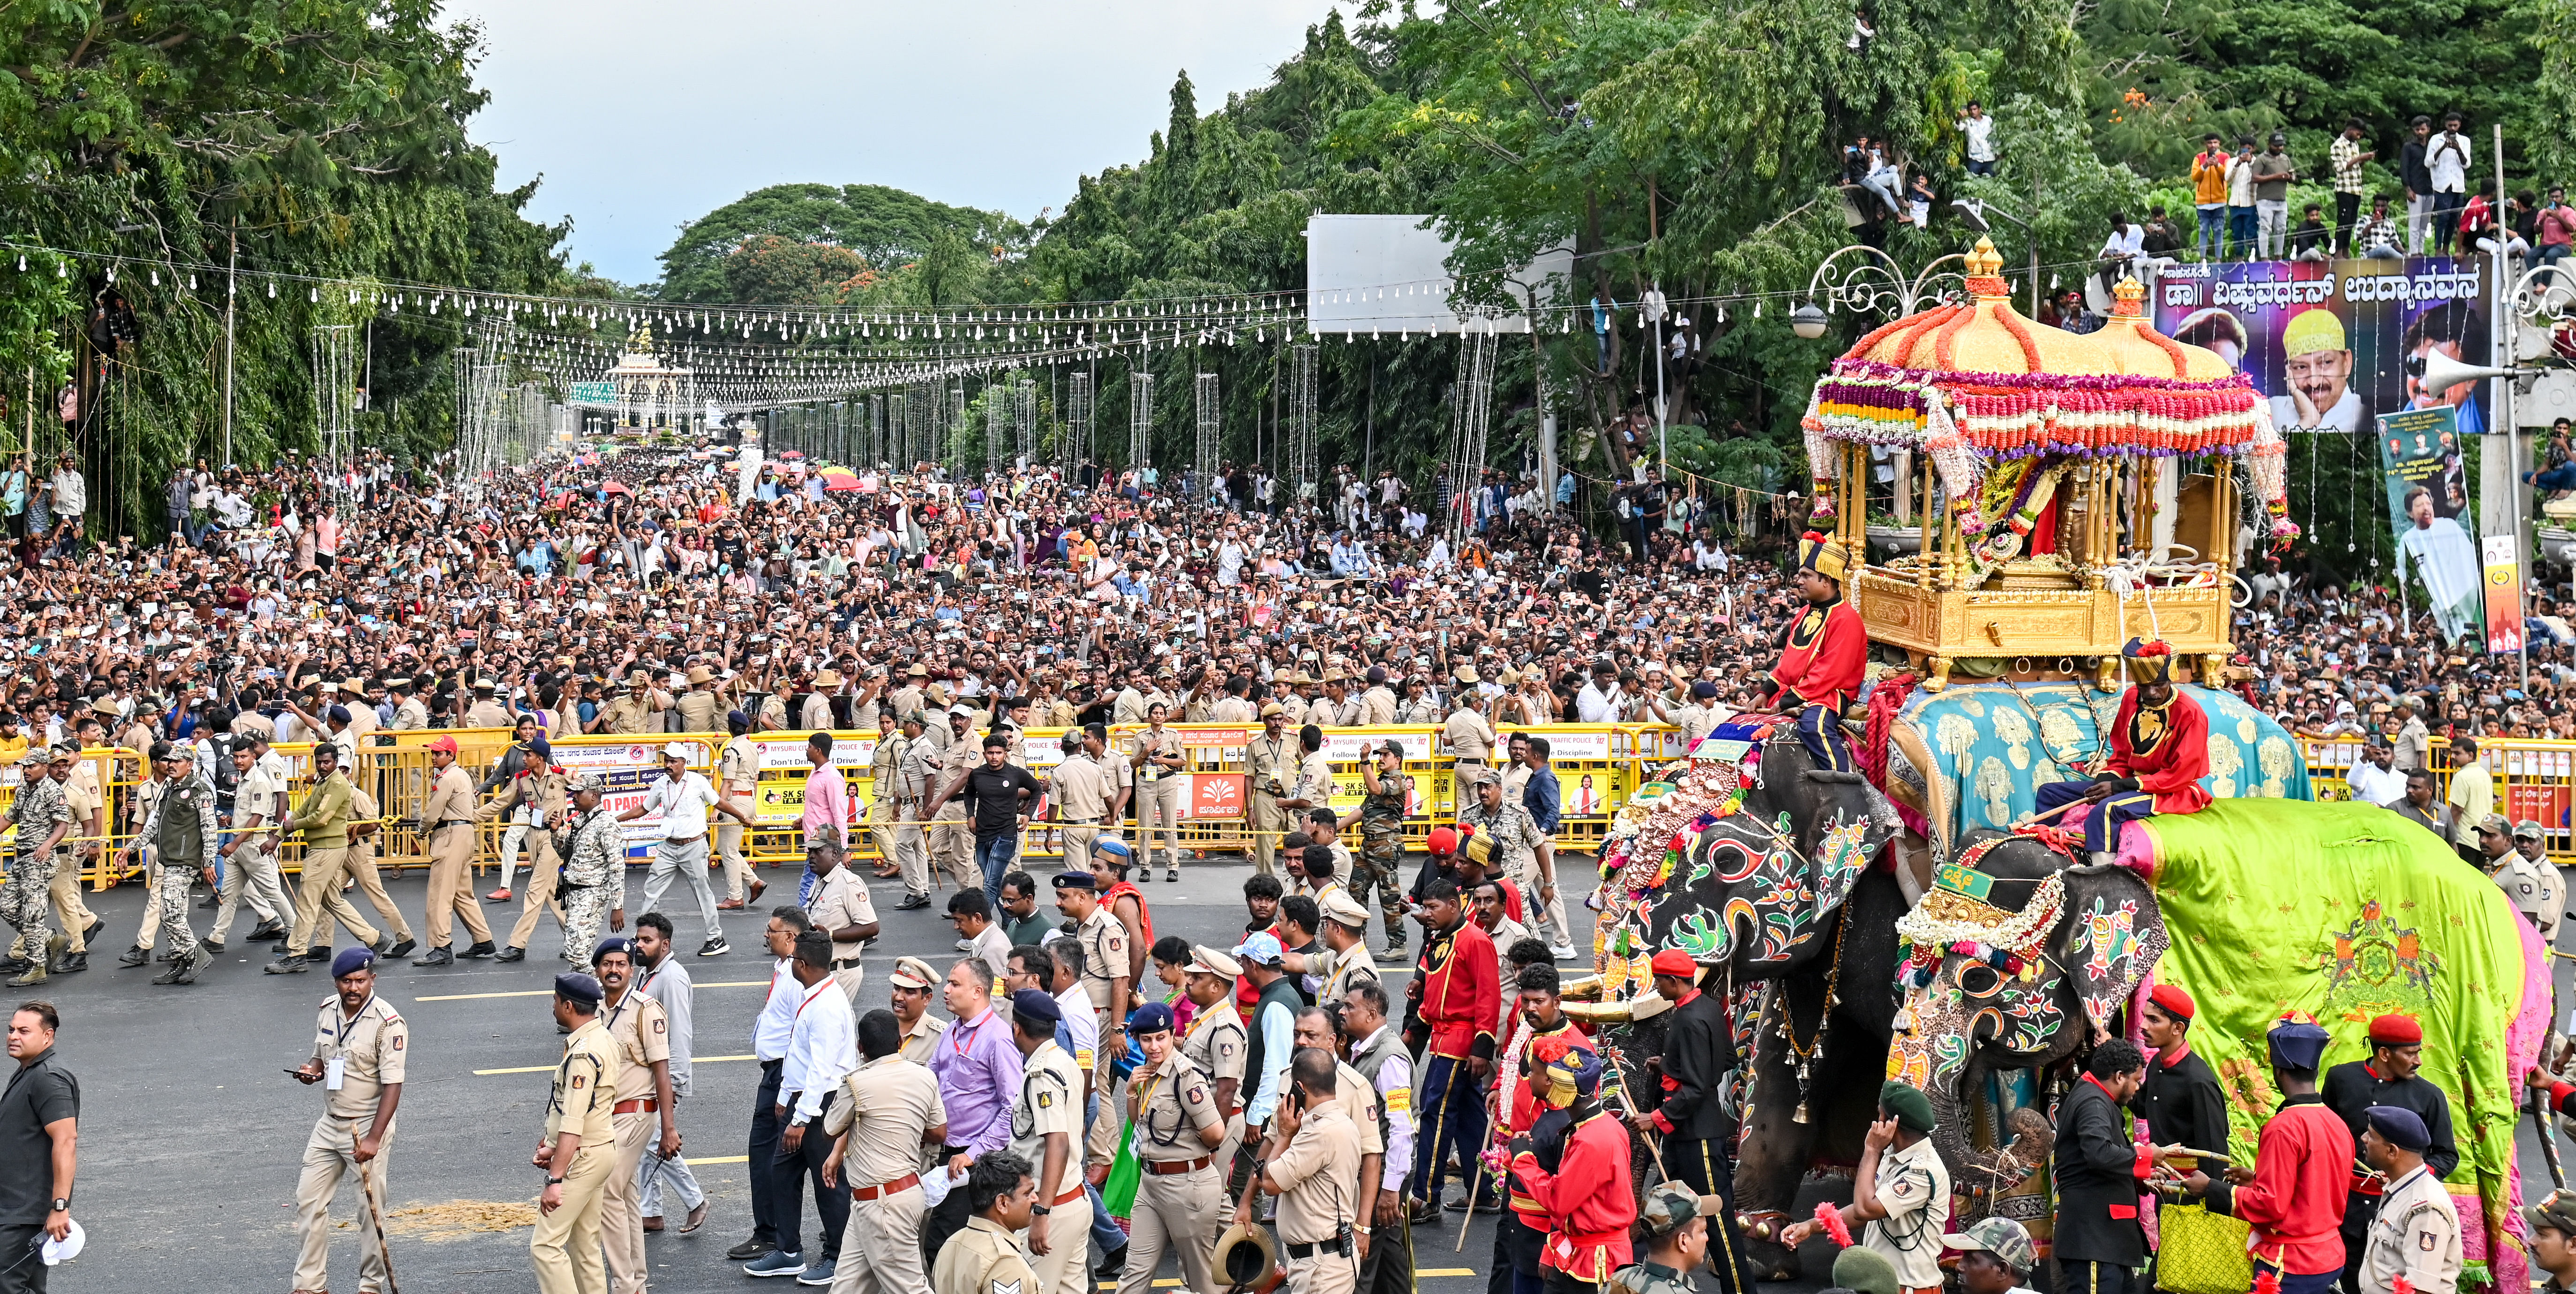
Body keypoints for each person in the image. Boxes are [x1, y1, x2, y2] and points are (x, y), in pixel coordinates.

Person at [2183, 1016, 2351, 1294]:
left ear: (2278, 1070)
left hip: (2292, 1263)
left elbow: (2270, 1206)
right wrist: (2257, 1180)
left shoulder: (2284, 1127)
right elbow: (2313, 1188)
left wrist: (2210, 1188)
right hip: (2330, 1255)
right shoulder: (2336, 1122)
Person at [1630, 949, 1752, 1293]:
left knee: (1716, 1222)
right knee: (1661, 1208)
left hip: (1696, 1135)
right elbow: (1724, 1058)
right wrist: (1670, 1064)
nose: (1656, 987)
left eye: (1658, 981)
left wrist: (1656, 1117)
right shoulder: (1708, 1007)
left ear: (1673, 981)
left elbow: (1698, 1086)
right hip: (1686, 1132)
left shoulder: (1688, 1019)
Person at [2029, 640, 2209, 865]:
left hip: (2171, 791)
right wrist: (2107, 779)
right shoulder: (2132, 698)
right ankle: (2045, 858)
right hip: (2131, 781)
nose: (2152, 693)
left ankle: (2103, 875)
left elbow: (2179, 776)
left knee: (2107, 810)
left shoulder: (2191, 713)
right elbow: (2122, 756)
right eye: (2145, 687)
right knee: (2050, 794)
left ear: (2170, 679)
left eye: (2159, 685)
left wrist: (2119, 788)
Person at [290, 948, 405, 1294]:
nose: (353, 988)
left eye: (360, 981)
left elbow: (393, 1085)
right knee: (308, 1202)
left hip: (366, 1125)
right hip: (329, 1123)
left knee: (369, 1212)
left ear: (372, 979)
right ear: (336, 982)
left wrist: (373, 1139)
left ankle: (371, 1286)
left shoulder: (388, 1023)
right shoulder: (328, 1010)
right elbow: (320, 1057)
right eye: (346, 981)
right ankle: (310, 1286)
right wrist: (311, 1071)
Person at [2321, 1014, 2457, 1293]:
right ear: (2384, 1054)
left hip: (2399, 1212)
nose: (2418, 1061)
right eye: (2410, 1054)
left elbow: (2446, 1155)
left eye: (2418, 1053)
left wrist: (2403, 1177)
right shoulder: (2340, 1079)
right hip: (2344, 1209)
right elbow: (2327, 1137)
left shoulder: (2429, 1096)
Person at [751, 930, 856, 1283]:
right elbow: (800, 1055)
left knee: (828, 1183)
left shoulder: (826, 1006)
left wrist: (800, 1118)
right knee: (782, 1173)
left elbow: (822, 1070)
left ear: (803, 964)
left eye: (794, 959)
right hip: (801, 1103)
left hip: (820, 1107)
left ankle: (837, 1258)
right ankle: (789, 1252)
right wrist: (785, 1098)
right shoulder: (815, 994)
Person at [819, 1007, 946, 1294]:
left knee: (910, 1289)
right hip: (895, 1196)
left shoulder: (856, 1083)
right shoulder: (924, 1077)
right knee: (847, 1287)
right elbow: (939, 1132)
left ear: (860, 1047)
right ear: (899, 1042)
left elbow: (829, 1130)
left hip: (881, 1204)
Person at [1778, 1081, 1946, 1294]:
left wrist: (1871, 1149)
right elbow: (1863, 1213)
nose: (1877, 1121)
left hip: (1910, 1289)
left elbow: (1865, 1208)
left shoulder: (1921, 1171)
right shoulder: (1894, 1155)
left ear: (1891, 1123)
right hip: (1884, 1285)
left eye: (1880, 1114)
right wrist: (1811, 1226)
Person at [1506, 1039, 1637, 1291]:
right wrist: (1551, 1250)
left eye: (1534, 1072)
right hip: (1578, 1250)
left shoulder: (1591, 1140)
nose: (1529, 1077)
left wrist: (1523, 1160)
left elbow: (1558, 1200)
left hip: (1594, 1264)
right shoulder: (1595, 1127)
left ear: (1555, 1085)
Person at [1116, 1001, 1224, 1294]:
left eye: (1161, 1038)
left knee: (1201, 1278)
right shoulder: (1146, 1074)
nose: (1154, 1047)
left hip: (1185, 1186)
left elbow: (1216, 1133)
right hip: (1150, 1184)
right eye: (1147, 1039)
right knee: (1134, 1271)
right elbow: (1142, 1126)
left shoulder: (1186, 1076)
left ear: (1172, 1034)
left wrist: (1188, 1149)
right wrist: (1129, 1093)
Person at [1405, 880, 1498, 1220]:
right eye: (1424, 908)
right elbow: (1434, 980)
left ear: (1453, 906)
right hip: (1443, 1036)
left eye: (1432, 908)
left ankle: (1426, 1196)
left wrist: (1482, 1046)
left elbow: (1488, 995)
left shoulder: (1475, 941)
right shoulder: (1440, 937)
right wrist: (1415, 1026)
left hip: (1460, 1043)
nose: (1425, 914)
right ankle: (1482, 1191)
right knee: (1471, 1120)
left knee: (1436, 1116)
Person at [592, 936, 678, 1294]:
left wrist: (669, 1129)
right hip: (605, 1119)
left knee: (605, 1193)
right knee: (626, 1200)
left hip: (636, 1115)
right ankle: (638, 1283)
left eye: (621, 965)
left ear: (631, 970)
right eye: (607, 964)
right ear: (597, 970)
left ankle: (624, 1286)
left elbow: (662, 1071)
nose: (614, 971)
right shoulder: (594, 1008)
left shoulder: (646, 1009)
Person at [923, 957, 1025, 1258]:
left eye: (955, 984)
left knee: (940, 1247)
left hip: (976, 1161)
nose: (946, 990)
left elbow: (1013, 1109)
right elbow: (932, 1081)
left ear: (978, 992)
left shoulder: (998, 1039)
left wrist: (971, 1156)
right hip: (947, 1151)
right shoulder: (951, 1032)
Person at [732, 907, 815, 1264]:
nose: (766, 936)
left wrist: (785, 1089)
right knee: (774, 1155)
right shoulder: (785, 970)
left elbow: (802, 1034)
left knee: (771, 1155)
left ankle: (773, 1236)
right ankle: (777, 1234)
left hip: (783, 1074)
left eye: (772, 931)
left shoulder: (796, 980)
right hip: (776, 1072)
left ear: (791, 938)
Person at [533, 972, 619, 1294]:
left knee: (546, 1246)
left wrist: (555, 1179)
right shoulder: (602, 1038)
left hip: (582, 1157)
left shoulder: (582, 1054)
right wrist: (554, 1146)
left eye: (555, 1001)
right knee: (584, 1246)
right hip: (599, 1150)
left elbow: (574, 1121)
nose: (553, 1006)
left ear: (568, 1006)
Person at [620, 744, 747, 958]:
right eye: (666, 760)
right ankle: (642, 937)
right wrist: (616, 819)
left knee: (703, 893)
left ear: (683, 763)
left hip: (694, 846)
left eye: (673, 761)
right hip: (670, 846)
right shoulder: (661, 784)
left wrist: (742, 817)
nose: (668, 765)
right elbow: (644, 809)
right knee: (651, 889)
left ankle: (715, 937)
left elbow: (720, 803)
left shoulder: (698, 782)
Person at [272, 740, 388, 974]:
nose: (323, 766)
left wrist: (291, 826)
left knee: (307, 901)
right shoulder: (324, 782)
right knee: (332, 900)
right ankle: (375, 939)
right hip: (327, 848)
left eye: (327, 762)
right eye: (319, 762)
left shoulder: (337, 784)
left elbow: (320, 818)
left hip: (326, 850)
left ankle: (296, 954)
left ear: (336, 762)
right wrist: (280, 833)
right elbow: (305, 809)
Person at [1257, 1048, 1365, 1294]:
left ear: (1299, 1087)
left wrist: (1284, 1135)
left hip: (1321, 1268)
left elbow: (1271, 1183)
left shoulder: (1319, 1133)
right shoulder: (1343, 1122)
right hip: (1324, 1259)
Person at [1002, 987, 1089, 1294]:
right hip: (1073, 1199)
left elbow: (1058, 1142)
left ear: (1017, 1028)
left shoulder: (1042, 1075)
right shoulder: (1063, 1060)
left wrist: (1042, 1214)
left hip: (1053, 1208)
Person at [2052, 1039, 2154, 1294]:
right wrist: (2145, 1155)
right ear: (2120, 1077)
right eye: (2136, 1080)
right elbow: (2098, 1153)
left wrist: (2146, 1174)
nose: (2138, 1087)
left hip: (2106, 1243)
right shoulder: (2093, 1102)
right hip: (2094, 1242)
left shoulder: (2095, 1097)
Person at [632, 913, 709, 1235]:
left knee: (652, 1143)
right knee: (644, 1144)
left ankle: (695, 1202)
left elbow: (680, 1033)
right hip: (647, 1075)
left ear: (665, 945)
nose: (639, 945)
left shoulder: (672, 978)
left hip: (665, 1078)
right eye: (637, 939)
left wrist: (675, 1083)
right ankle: (650, 1212)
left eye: (646, 941)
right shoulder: (646, 973)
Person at [1766, 531, 1865, 778]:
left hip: (1830, 694)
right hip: (1796, 690)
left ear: (1827, 581)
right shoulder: (1802, 615)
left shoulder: (1847, 619)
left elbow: (1831, 672)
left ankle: (1845, 786)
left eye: (1806, 576)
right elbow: (1787, 663)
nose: (1798, 581)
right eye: (1800, 575)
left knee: (1814, 727)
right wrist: (1764, 692)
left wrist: (1789, 700)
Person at [123, 742, 216, 985]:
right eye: (169, 761)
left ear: (190, 764)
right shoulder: (169, 788)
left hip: (184, 861)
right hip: (169, 858)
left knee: (171, 914)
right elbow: (153, 826)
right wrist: (130, 847)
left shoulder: (198, 790)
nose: (171, 765)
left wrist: (208, 862)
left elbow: (209, 829)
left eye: (177, 762)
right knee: (170, 913)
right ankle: (181, 959)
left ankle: (195, 953)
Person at [1, 1001, 75, 1294]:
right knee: (25, 1284)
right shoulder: (28, 1072)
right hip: (15, 1205)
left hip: (26, 1210)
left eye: (23, 1031)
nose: (13, 1037)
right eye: (10, 1030)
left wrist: (60, 1207)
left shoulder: (49, 1078)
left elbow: (66, 1140)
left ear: (48, 1036)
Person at [2351, 1106, 2460, 1294]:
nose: (2364, 1139)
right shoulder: (2400, 1187)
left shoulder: (2425, 1208)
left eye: (2371, 1135)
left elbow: (2420, 1289)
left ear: (2392, 1151)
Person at [922, 734, 1041, 904]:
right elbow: (969, 794)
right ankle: (1009, 920)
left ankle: (981, 921)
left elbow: (1037, 789)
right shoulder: (977, 775)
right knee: (991, 879)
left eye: (999, 753)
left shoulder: (1016, 773)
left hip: (1006, 835)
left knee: (991, 884)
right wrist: (970, 816)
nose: (994, 757)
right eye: (991, 753)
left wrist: (1028, 815)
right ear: (984, 754)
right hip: (983, 834)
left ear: (1005, 754)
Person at [411, 734, 496, 967]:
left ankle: (441, 947)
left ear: (451, 755)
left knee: (439, 894)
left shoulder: (447, 778)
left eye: (438, 753)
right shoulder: (462, 776)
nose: (434, 757)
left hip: (449, 834)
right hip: (464, 832)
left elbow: (433, 811)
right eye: (433, 753)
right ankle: (483, 938)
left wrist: (421, 829)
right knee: (461, 892)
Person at [2133, 986, 2229, 1178]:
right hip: (2163, 1182)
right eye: (2144, 1017)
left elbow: (2214, 1152)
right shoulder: (2156, 1065)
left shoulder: (2198, 1081)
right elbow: (2142, 1107)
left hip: (2192, 1190)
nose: (2143, 1026)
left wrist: (2211, 1194)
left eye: (2154, 1020)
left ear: (2178, 1028)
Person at [0, 745, 74, 988]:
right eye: (24, 767)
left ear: (45, 767)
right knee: (6, 906)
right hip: (21, 857)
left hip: (39, 860)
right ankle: (49, 939)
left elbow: (62, 824)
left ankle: (36, 967)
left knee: (33, 915)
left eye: (31, 766)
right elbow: (9, 817)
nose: (26, 771)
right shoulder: (24, 789)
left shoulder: (53, 791)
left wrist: (47, 844)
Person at [931, 1151, 1041, 1294]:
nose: (1035, 1199)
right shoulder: (1004, 1263)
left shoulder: (952, 1242)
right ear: (1002, 1203)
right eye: (1027, 1194)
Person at [1346, 741, 1413, 962]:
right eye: (1379, 755)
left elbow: (1375, 789)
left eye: (1386, 755)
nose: (1381, 759)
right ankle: (1357, 940)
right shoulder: (1381, 780)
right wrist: (1333, 828)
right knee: (1356, 891)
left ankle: (1398, 945)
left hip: (1386, 844)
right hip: (1369, 845)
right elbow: (1361, 811)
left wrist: (1365, 761)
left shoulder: (1398, 780)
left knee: (1389, 897)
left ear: (1398, 759)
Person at [555, 776, 627, 963]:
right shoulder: (580, 820)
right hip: (576, 893)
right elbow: (566, 853)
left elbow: (617, 867)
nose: (574, 797)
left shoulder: (606, 823)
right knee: (574, 952)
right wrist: (557, 830)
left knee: (578, 955)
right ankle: (586, 991)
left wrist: (617, 906)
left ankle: (601, 990)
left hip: (593, 894)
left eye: (580, 792)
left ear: (594, 795)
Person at [804, 839, 883, 999]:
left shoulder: (848, 883)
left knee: (831, 1022)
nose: (811, 856)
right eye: (809, 851)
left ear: (835, 854)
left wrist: (830, 935)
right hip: (823, 970)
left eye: (818, 851)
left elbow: (871, 927)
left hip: (840, 971)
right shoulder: (821, 880)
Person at [1247, 703, 1298, 878]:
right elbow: (1249, 777)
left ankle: (1295, 883)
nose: (1277, 723)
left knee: (1296, 842)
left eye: (1280, 719)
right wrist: (1249, 809)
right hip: (1265, 798)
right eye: (1273, 720)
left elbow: (1306, 762)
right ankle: (1265, 885)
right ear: (1265, 721)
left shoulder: (1293, 739)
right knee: (1265, 846)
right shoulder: (1255, 745)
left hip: (1290, 800)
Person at [2496, 820, 2565, 948]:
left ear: (2543, 845)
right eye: (2520, 840)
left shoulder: (2547, 875)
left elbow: (2545, 922)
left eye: (2531, 841)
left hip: (2538, 947)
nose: (2524, 845)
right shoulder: (2518, 868)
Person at [2343, 742, 2403, 807]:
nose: (2381, 757)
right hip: (2368, 816)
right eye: (2378, 754)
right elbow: (2353, 783)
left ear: (2393, 756)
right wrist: (2364, 758)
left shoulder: (2403, 778)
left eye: (2386, 753)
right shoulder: (2365, 772)